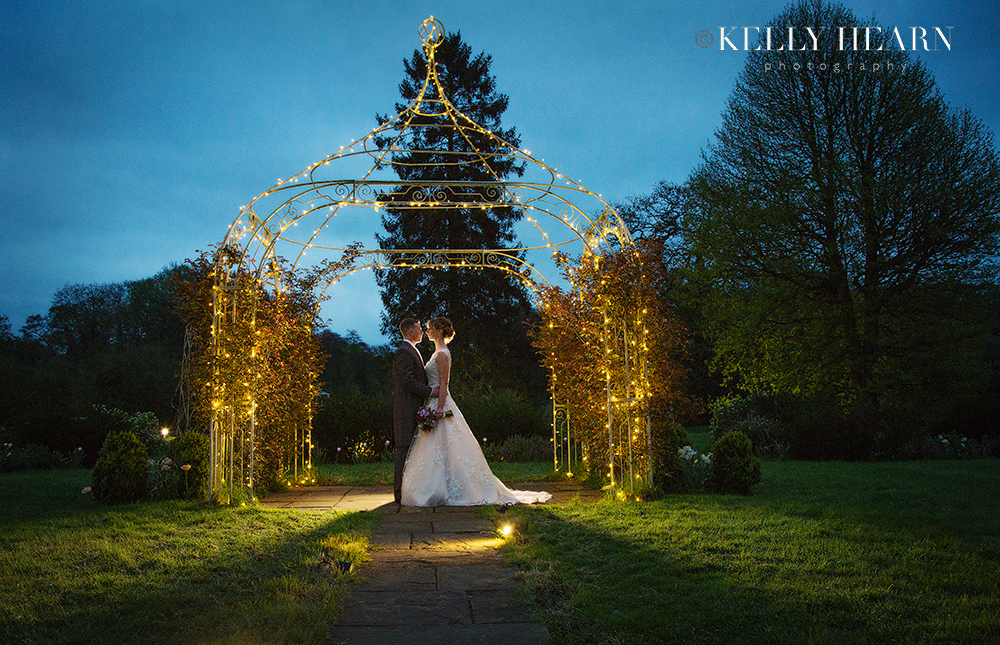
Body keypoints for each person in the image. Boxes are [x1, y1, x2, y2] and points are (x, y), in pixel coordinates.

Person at [401, 317, 552, 506]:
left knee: (445, 446)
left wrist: (439, 409)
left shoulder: (441, 355)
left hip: (439, 404)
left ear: (439, 331)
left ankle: (448, 488)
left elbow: (444, 384)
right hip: (433, 402)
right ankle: (439, 486)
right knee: (439, 449)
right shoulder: (439, 352)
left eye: (430, 328)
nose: (427, 331)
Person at [392, 318, 439, 504]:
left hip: (414, 408)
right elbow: (407, 381)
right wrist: (430, 392)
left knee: (413, 452)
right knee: (404, 450)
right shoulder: (404, 352)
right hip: (406, 410)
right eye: (419, 329)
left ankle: (409, 491)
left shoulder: (411, 350)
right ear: (410, 332)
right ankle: (399, 494)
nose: (422, 332)